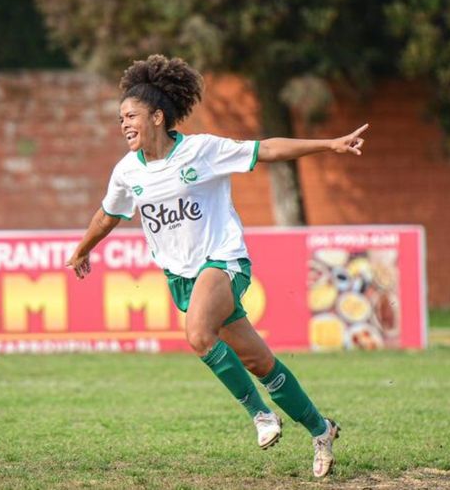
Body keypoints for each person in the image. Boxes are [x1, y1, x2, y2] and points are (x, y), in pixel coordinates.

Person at [65, 54, 368, 478]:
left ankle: (261, 416)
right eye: (120, 119)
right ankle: (321, 430)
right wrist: (82, 250)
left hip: (224, 262)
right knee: (259, 363)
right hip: (182, 277)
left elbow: (266, 150)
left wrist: (329, 144)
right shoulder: (125, 173)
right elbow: (107, 215)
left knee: (198, 333)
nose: (124, 124)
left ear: (157, 116)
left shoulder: (202, 150)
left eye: (130, 115)